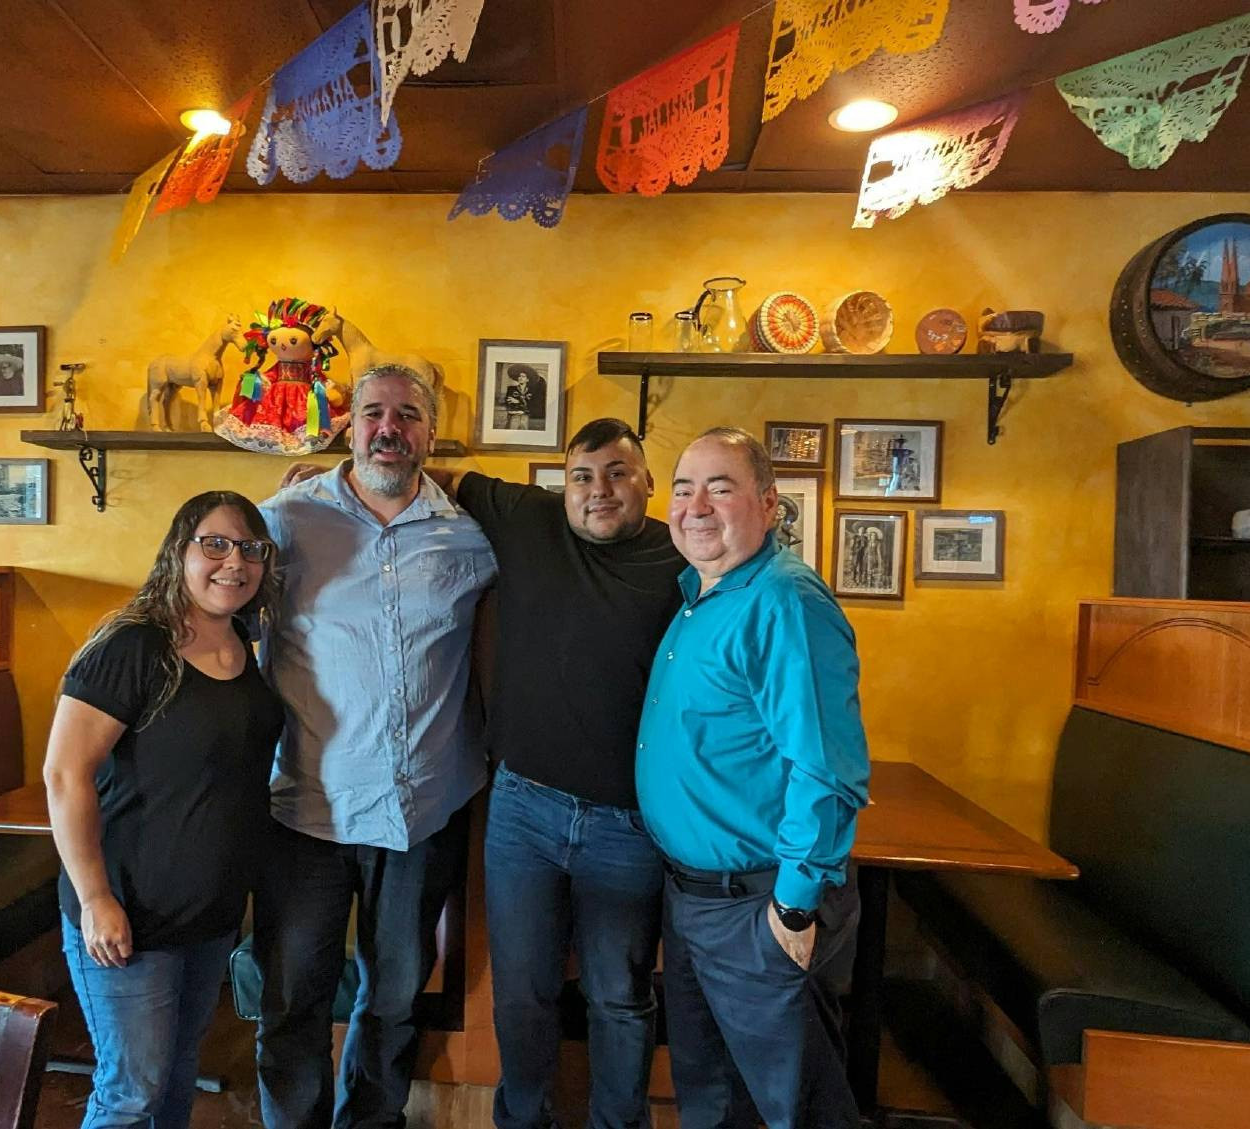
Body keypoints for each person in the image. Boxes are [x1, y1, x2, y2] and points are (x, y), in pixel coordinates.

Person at [253, 363, 496, 1129]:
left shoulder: (470, 532)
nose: (389, 428)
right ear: (347, 424)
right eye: (373, 412)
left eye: (409, 414)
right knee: (294, 996)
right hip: (305, 809)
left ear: (430, 431)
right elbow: (205, 600)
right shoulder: (283, 520)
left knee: (393, 996)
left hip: (422, 811)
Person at [430, 417, 684, 1129]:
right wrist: (325, 479)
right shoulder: (529, 518)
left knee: (619, 995)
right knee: (522, 992)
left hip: (631, 823)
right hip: (523, 811)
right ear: (561, 486)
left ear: (647, 484)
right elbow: (434, 476)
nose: (597, 490)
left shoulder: (683, 557)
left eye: (616, 473)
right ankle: (522, 1120)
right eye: (582, 476)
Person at [636, 427, 871, 1129]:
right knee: (713, 1099)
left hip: (759, 904)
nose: (695, 505)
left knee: (794, 1109)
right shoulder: (703, 593)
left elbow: (826, 769)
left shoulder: (783, 599)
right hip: (695, 900)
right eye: (683, 487)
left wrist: (794, 909)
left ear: (769, 504)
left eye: (721, 486)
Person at [42, 491, 284, 1129]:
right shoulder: (133, 647)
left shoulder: (245, 640)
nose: (234, 561)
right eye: (215, 544)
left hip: (209, 917)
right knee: (129, 1097)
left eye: (251, 549)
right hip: (130, 916)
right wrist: (96, 899)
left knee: (176, 1084)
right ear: (179, 552)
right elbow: (65, 775)